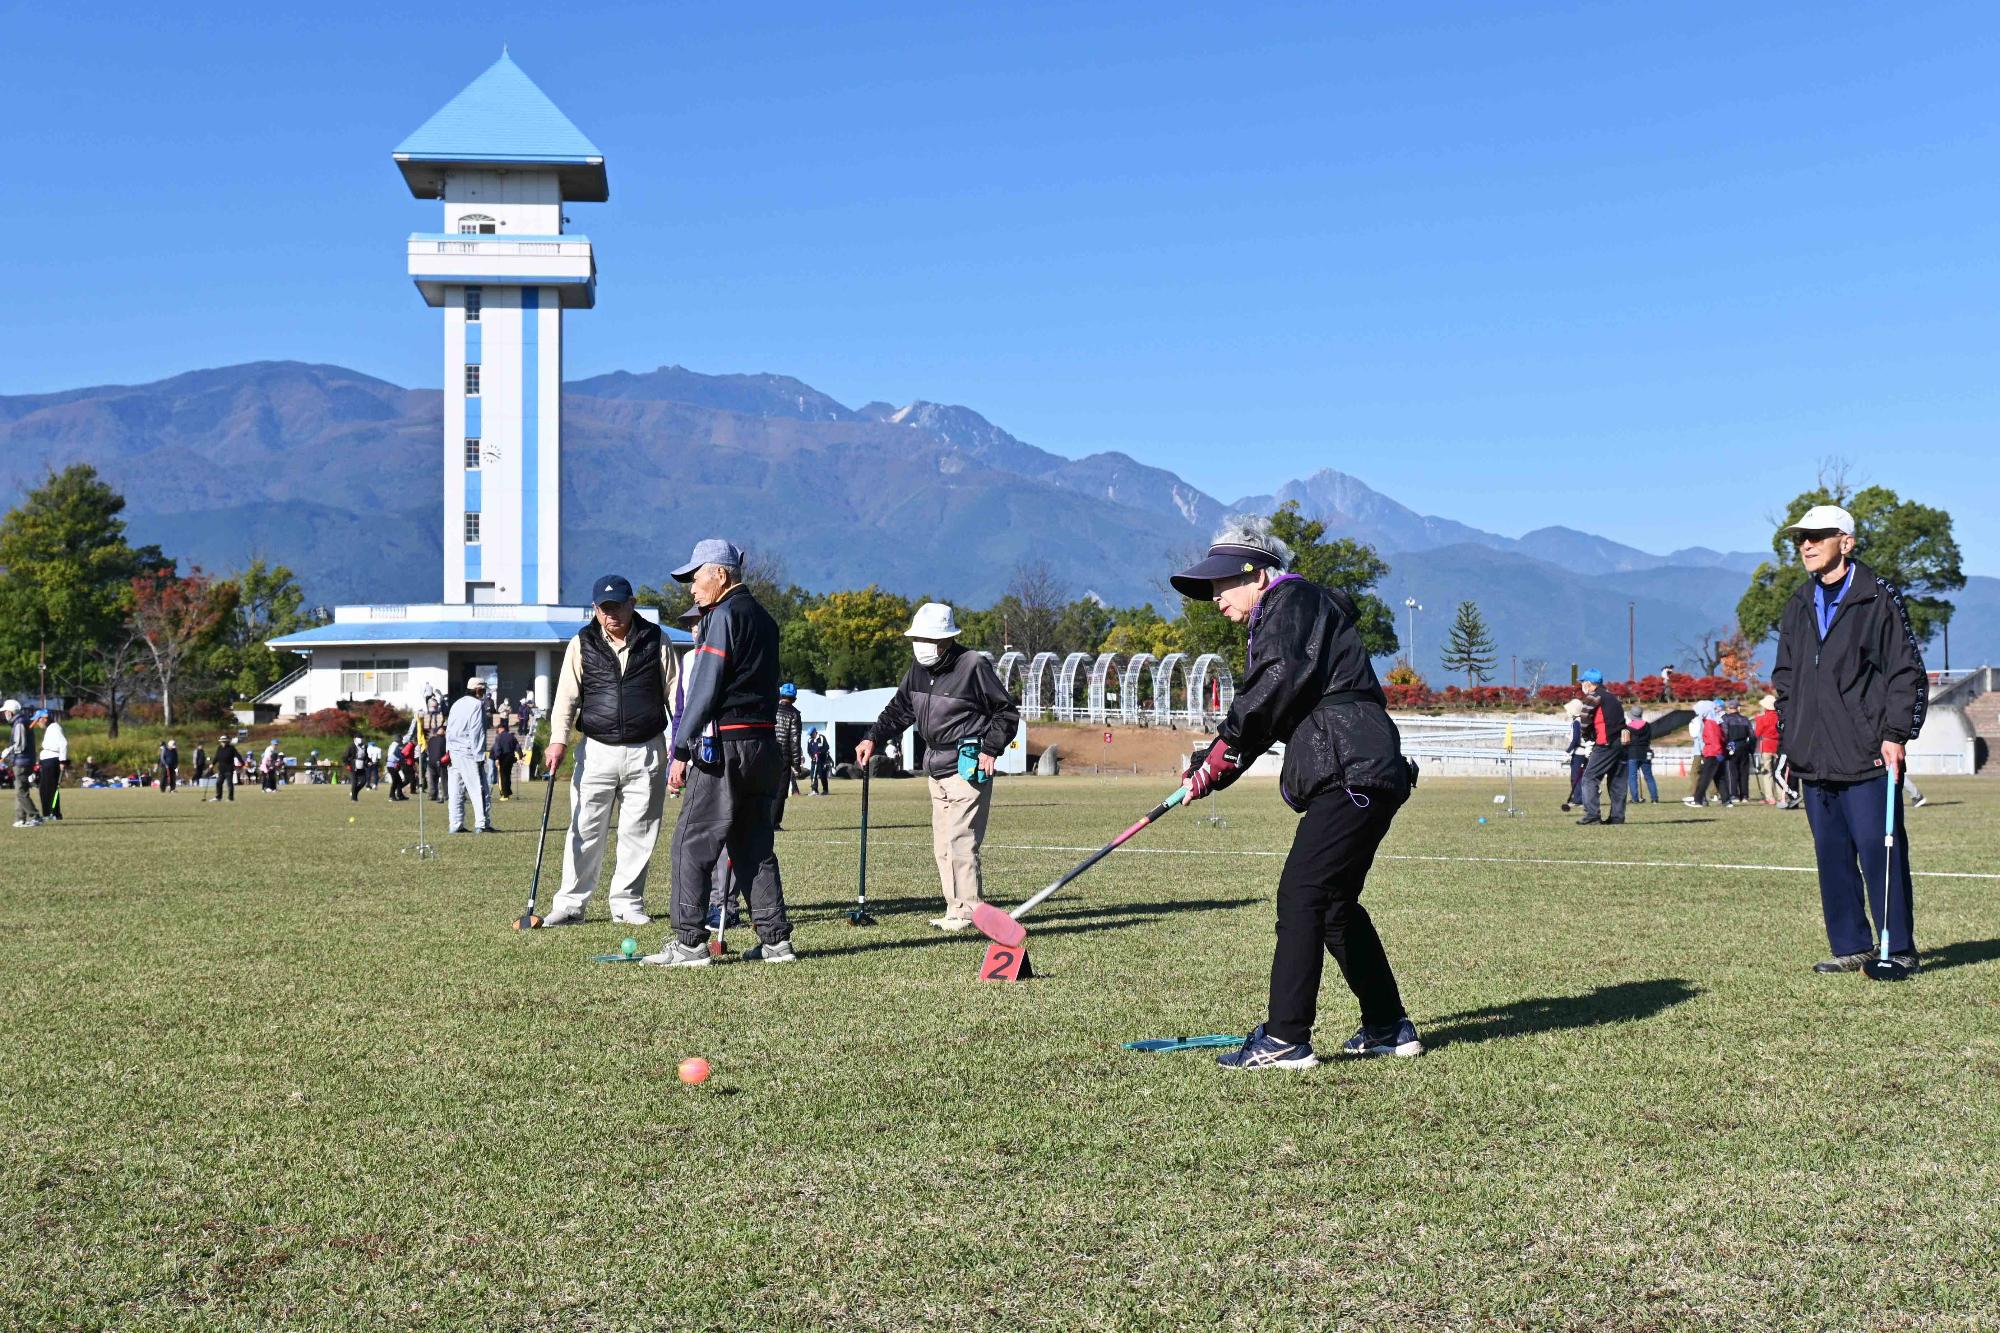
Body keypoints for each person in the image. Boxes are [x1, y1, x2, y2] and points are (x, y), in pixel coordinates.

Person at [1168, 517, 1422, 1069]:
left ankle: (1285, 1037)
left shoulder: (1289, 601)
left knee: (1301, 894)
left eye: (1221, 585)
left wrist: (1221, 752)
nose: (1216, 600)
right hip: (1359, 766)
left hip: (1350, 770)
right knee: (1332, 906)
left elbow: (1271, 689)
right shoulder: (1294, 612)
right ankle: (1387, 1026)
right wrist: (1212, 767)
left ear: (1257, 575)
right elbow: (1273, 706)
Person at [1771, 504, 1928, 974]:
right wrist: (1790, 727)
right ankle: (1851, 946)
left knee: (1880, 849)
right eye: (1801, 537)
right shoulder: (1798, 602)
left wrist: (1896, 733)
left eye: (1818, 535)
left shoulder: (1877, 598)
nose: (1807, 544)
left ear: (1847, 541)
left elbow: (1905, 672)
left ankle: (1896, 949)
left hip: (1867, 752)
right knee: (1831, 855)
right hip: (1813, 756)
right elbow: (1785, 676)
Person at [647, 538, 795, 966]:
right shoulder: (766, 619)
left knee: (690, 843)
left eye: (695, 578)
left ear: (720, 575)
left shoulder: (722, 616)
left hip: (724, 748)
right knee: (754, 845)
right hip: (763, 746)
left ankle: (690, 942)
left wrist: (680, 747)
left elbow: (704, 688)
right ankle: (775, 940)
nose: (691, 588)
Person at [854, 602, 1021, 930]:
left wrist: (991, 749)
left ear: (946, 641)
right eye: (917, 638)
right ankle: (954, 908)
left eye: (927, 639)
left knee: (962, 840)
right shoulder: (917, 669)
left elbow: (1005, 711)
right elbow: (900, 709)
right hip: (935, 768)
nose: (921, 646)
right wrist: (872, 737)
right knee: (943, 844)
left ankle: (970, 912)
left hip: (966, 766)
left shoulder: (973, 665)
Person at [540, 574, 680, 928]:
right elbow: (566, 697)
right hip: (596, 749)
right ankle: (571, 904)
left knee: (639, 830)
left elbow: (677, 697)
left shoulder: (656, 640)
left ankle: (627, 903)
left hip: (646, 748)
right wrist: (558, 739)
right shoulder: (582, 642)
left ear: (632, 604)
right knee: (584, 827)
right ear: (595, 609)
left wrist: (680, 746)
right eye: (604, 608)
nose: (611, 614)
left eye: (617, 606)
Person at [1574, 669, 1627, 825]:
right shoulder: (1613, 698)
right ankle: (1617, 817)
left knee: (1589, 778)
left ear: (1589, 684)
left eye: (1583, 682)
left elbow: (1584, 719)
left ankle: (1592, 816)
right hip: (1622, 743)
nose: (1582, 685)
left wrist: (1587, 735)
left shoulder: (1594, 697)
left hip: (1605, 743)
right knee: (1617, 781)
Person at [446, 676, 496, 833]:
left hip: (454, 751)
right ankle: (482, 823)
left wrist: (448, 750)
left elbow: (449, 728)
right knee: (479, 788)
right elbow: (477, 731)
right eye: (483, 689)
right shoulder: (477, 705)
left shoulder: (456, 703)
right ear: (478, 689)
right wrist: (479, 754)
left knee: (455, 791)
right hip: (469, 751)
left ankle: (455, 824)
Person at [1684, 701, 1730, 807]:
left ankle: (1698, 800)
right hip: (1718, 753)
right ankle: (1726, 800)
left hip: (1712, 753)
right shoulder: (1716, 722)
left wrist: (1716, 752)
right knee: (1720, 778)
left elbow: (1714, 740)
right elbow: (1722, 738)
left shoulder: (1709, 723)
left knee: (1705, 777)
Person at [772, 683, 804, 829]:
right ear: (794, 699)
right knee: (781, 790)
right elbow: (794, 740)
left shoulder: (772, 710)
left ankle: (764, 820)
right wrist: (796, 764)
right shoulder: (794, 714)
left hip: (768, 752)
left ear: (780, 696)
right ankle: (775, 822)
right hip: (784, 756)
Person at [6, 700, 41, 828]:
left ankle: (35, 816)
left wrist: (8, 752)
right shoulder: (22, 721)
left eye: (5, 712)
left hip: (21, 761)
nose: (5, 714)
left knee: (21, 791)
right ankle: (20, 818)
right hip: (25, 760)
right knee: (21, 790)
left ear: (10, 712)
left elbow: (20, 744)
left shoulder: (19, 723)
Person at [1721, 699, 1755, 809]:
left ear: (1729, 708)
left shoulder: (1725, 719)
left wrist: (1725, 747)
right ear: (1737, 707)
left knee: (1732, 771)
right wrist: (1751, 749)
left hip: (1732, 746)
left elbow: (1725, 734)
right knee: (1744, 772)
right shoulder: (1745, 720)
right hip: (1744, 746)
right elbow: (1752, 736)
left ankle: (1734, 794)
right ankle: (1744, 795)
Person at [1752, 694, 1782, 804]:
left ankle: (1770, 797)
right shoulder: (1780, 717)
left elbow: (1757, 733)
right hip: (1778, 746)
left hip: (1767, 745)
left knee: (1767, 772)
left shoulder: (1762, 718)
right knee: (1779, 772)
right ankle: (1781, 795)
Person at [1559, 697, 1587, 812]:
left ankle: (1578, 799)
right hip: (1586, 752)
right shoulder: (1584, 720)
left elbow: (1575, 739)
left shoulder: (1576, 722)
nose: (1567, 712)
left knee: (1575, 777)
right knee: (1582, 777)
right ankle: (1579, 798)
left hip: (1579, 753)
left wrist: (1567, 751)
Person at [1625, 706, 1657, 804]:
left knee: (1632, 777)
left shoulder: (1628, 727)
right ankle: (1654, 798)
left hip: (1632, 753)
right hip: (1645, 752)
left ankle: (1635, 799)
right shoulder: (1647, 726)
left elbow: (1626, 741)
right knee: (1649, 776)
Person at [492, 722, 521, 801]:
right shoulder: (512, 736)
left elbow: (497, 748)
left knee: (503, 776)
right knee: (508, 775)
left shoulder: (499, 737)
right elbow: (518, 747)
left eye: (498, 729)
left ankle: (504, 795)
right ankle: (508, 792)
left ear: (501, 728)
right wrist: (520, 756)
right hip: (511, 757)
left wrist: (497, 758)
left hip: (503, 757)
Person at [213, 735, 240, 802]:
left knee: (229, 784)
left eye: (225, 741)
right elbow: (216, 757)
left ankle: (230, 798)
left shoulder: (231, 748)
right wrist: (212, 764)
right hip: (221, 769)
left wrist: (242, 763)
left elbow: (238, 755)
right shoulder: (219, 748)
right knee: (218, 783)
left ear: (227, 742)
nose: (223, 743)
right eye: (222, 742)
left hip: (229, 769)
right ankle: (218, 797)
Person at [345, 733, 369, 802]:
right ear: (354, 739)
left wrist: (368, 762)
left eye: (361, 738)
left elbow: (366, 757)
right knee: (354, 782)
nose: (360, 739)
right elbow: (345, 757)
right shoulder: (351, 747)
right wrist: (348, 764)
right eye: (359, 738)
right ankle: (353, 798)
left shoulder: (365, 747)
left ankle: (354, 792)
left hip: (362, 766)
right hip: (353, 766)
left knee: (363, 781)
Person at [807, 729, 832, 796]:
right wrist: (812, 756)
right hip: (814, 761)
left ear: (815, 732)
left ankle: (825, 790)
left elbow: (826, 747)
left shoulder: (821, 737)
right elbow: (809, 750)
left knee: (822, 775)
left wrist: (819, 753)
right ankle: (814, 790)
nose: (810, 735)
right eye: (810, 734)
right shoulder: (809, 740)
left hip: (822, 760)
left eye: (811, 734)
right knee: (813, 775)